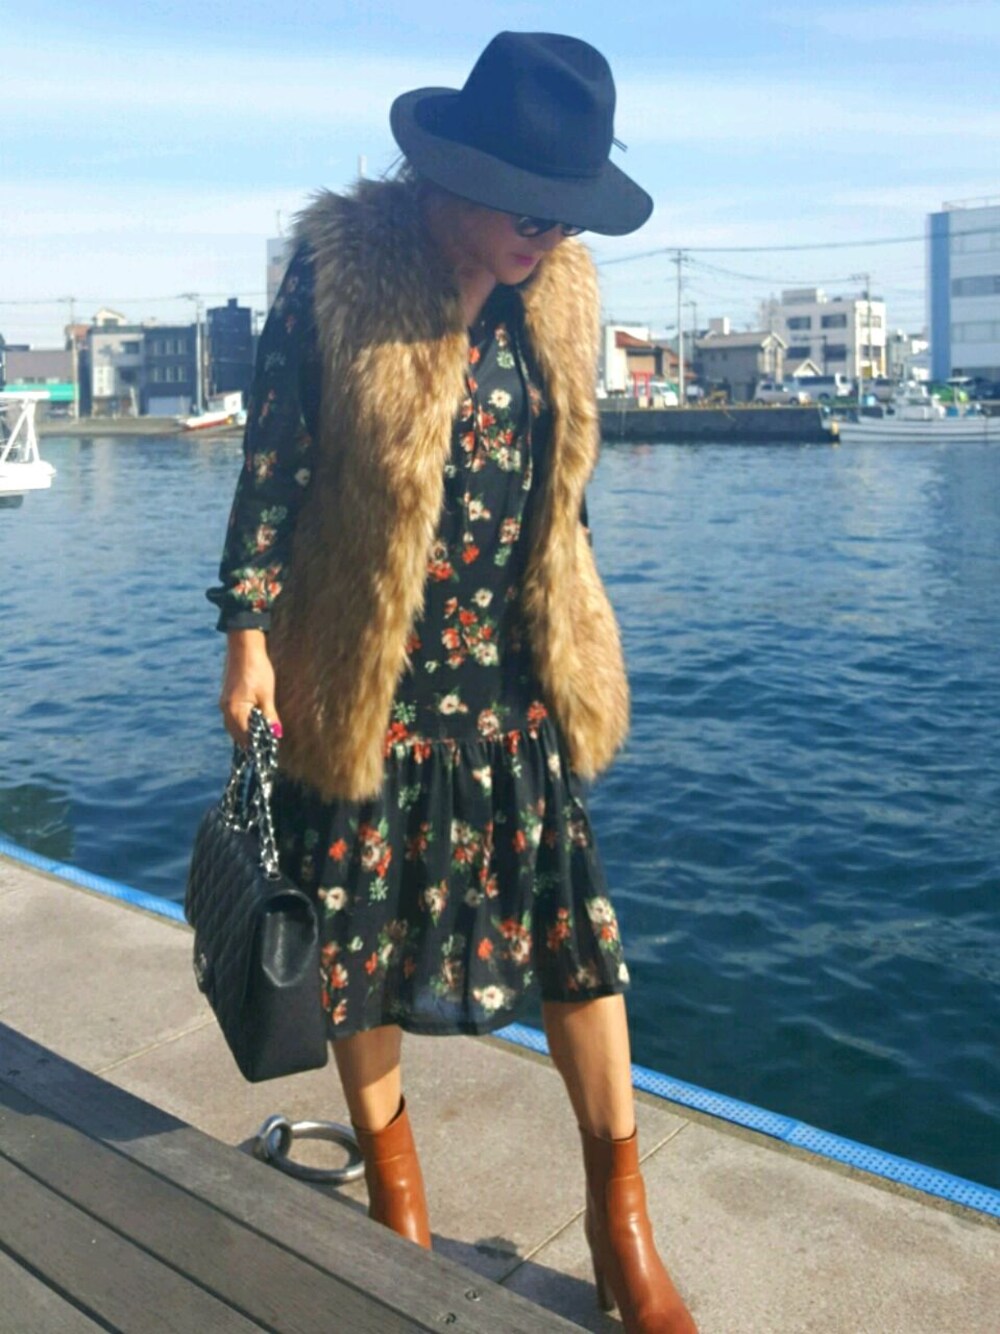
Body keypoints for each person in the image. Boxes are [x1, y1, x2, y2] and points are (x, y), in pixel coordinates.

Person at [209, 31, 697, 1334]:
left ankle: (622, 1225)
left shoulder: (560, 291)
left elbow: (564, 486)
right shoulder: (341, 273)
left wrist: (573, 613)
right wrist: (247, 634)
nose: (553, 234)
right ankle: (399, 1202)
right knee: (356, 946)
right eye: (535, 210)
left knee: (580, 946)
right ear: (461, 177)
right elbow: (275, 463)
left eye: (568, 213)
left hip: (514, 670)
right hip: (369, 665)